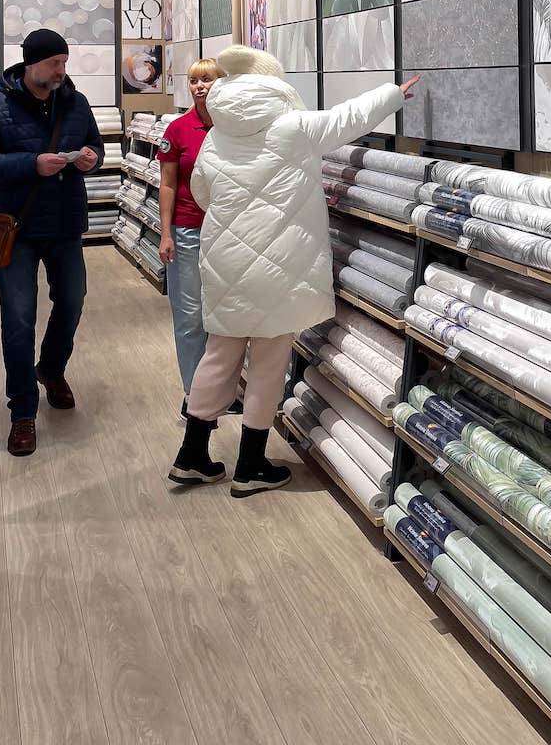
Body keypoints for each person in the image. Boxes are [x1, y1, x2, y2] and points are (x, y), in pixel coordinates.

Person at [168, 45, 418, 495]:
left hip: (223, 261)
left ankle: (191, 456)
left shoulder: (216, 137)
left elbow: (202, 193)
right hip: (280, 265)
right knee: (268, 362)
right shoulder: (293, 127)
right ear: (274, 85)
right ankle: (250, 466)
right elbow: (347, 118)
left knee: (218, 355)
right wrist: (393, 94)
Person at [0, 29, 104, 457]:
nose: (61, 70)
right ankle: (22, 411)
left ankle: (52, 369)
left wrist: (91, 159)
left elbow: (95, 146)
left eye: (64, 62)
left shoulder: (76, 103)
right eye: (53, 63)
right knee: (19, 319)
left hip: (64, 224)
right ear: (30, 64)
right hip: (17, 229)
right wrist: (32, 164)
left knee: (73, 301)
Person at [158, 58, 225, 410]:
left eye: (207, 79)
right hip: (188, 231)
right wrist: (165, 233)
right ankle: (194, 396)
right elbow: (167, 185)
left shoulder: (233, 126)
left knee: (225, 314)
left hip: (228, 233)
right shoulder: (178, 130)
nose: (199, 86)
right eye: (194, 81)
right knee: (190, 315)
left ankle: (220, 391)